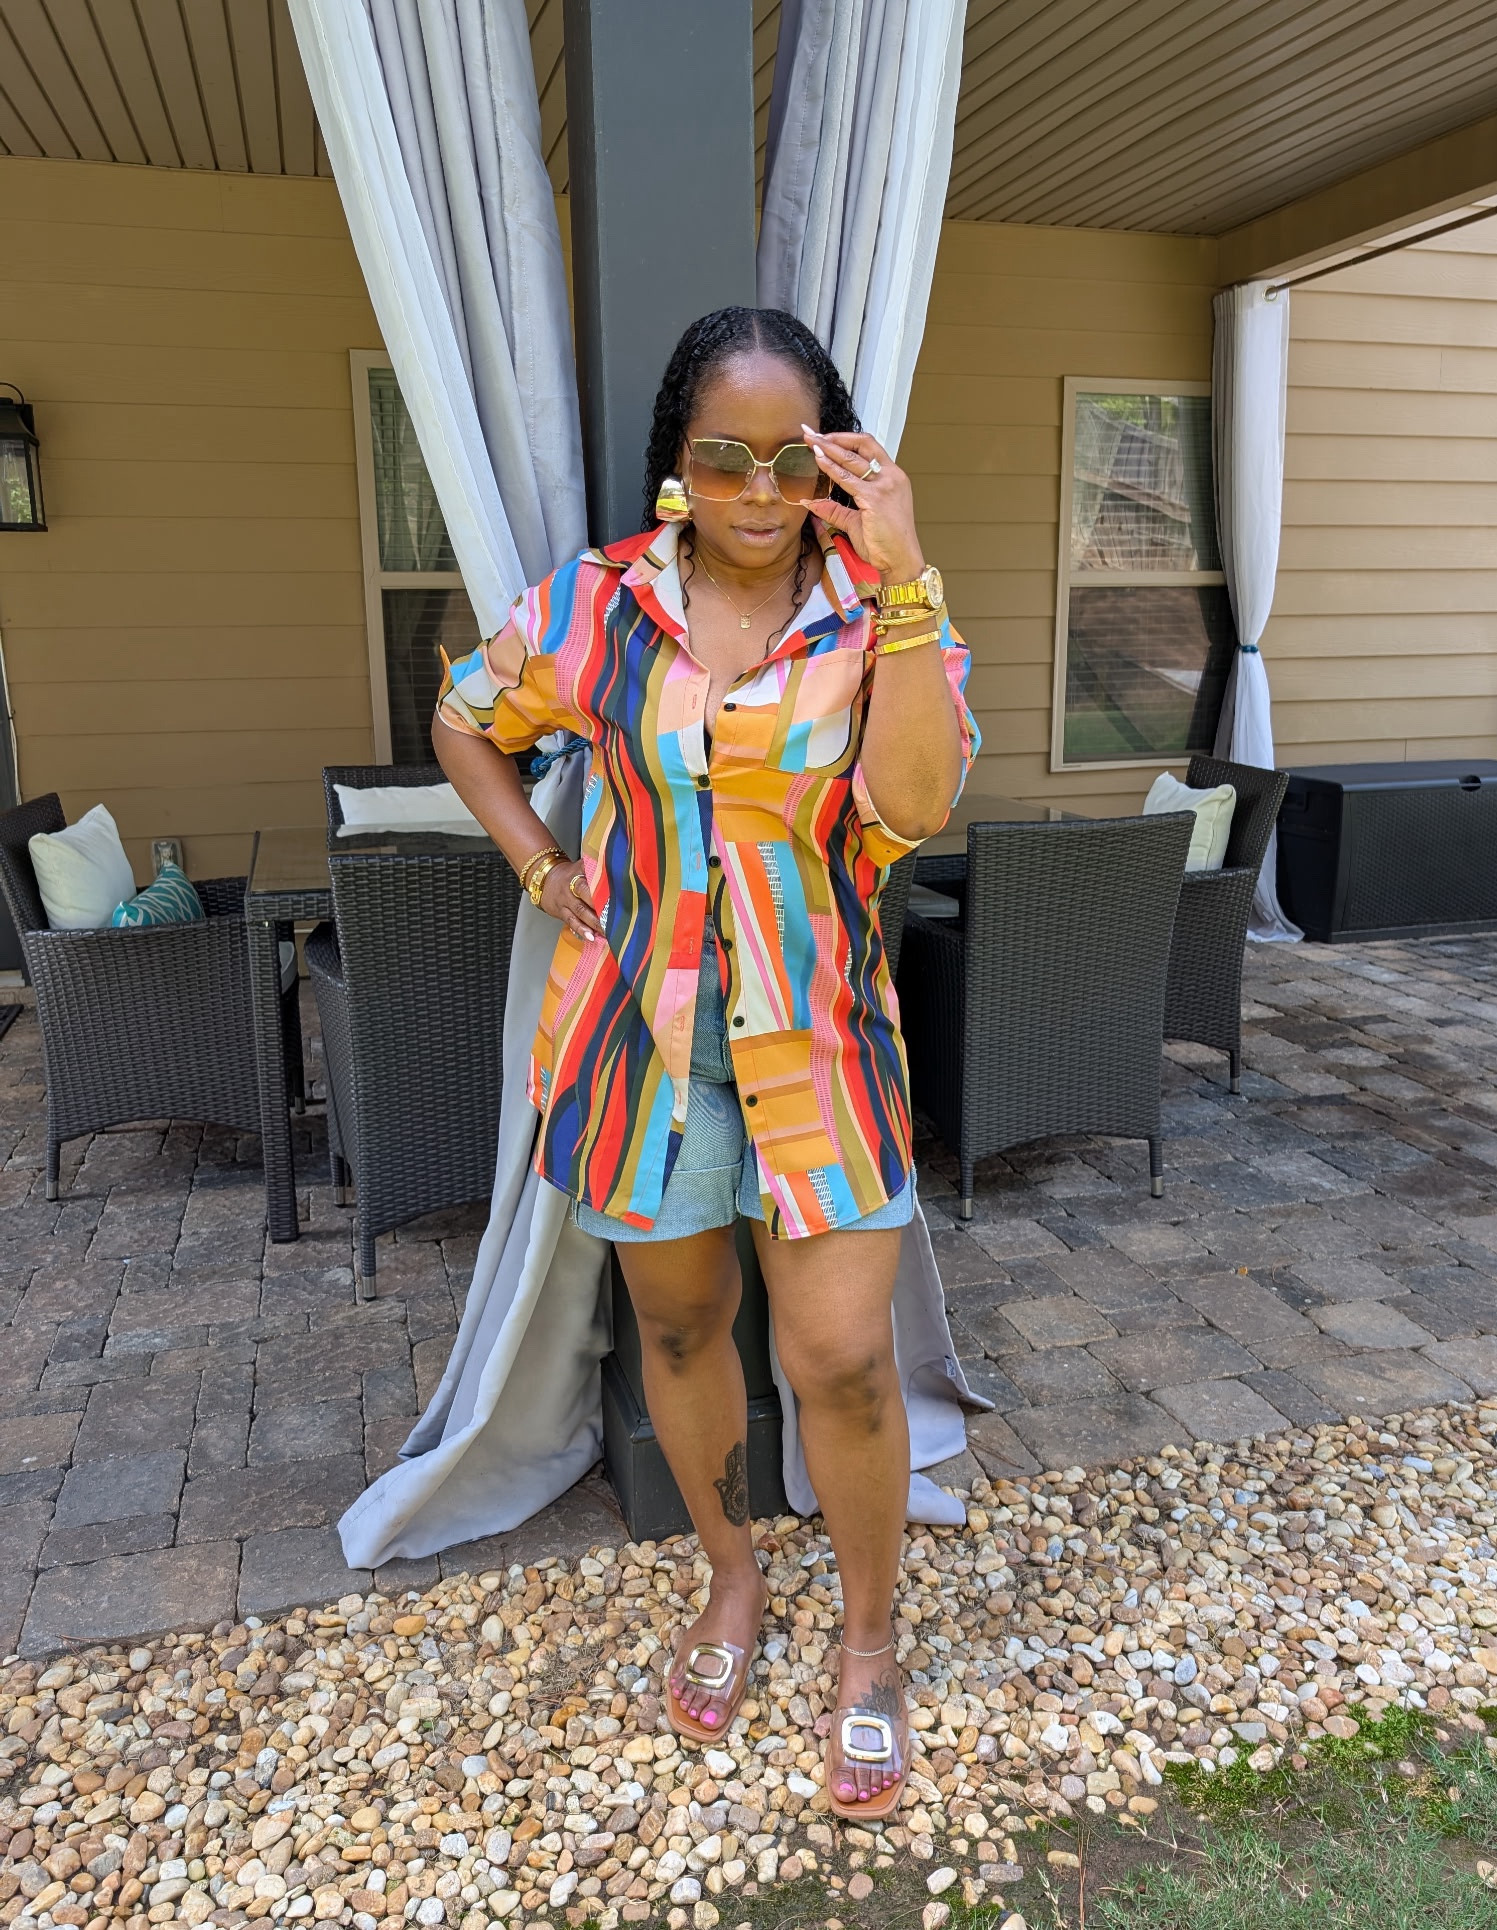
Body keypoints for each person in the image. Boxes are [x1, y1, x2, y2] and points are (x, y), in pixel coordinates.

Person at [432, 305, 977, 1819]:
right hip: (637, 1051)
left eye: (786, 459)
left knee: (841, 1363)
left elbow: (916, 806)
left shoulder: (880, 614)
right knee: (678, 1342)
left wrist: (909, 574)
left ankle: (868, 1644)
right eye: (717, 456)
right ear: (678, 462)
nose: (752, 491)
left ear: (833, 462)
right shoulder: (595, 606)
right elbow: (465, 720)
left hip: (821, 1046)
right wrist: (546, 868)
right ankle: (731, 1576)